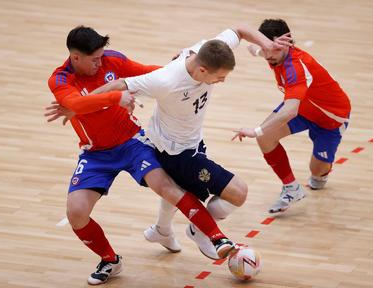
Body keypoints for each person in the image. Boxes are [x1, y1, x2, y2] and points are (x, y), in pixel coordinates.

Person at [47, 25, 239, 285]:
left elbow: (148, 73)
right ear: (75, 57)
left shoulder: (111, 59)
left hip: (133, 141)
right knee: (76, 212)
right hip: (95, 154)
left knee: (166, 186)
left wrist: (178, 68)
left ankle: (216, 237)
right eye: (94, 60)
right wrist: (116, 97)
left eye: (101, 56)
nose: (100, 63)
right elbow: (76, 105)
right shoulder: (60, 79)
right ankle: (110, 260)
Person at [84, 25, 292, 259]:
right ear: (202, 70)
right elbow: (118, 84)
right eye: (220, 77)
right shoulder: (165, 80)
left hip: (193, 140)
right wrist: (76, 105)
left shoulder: (210, 49)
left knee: (179, 188)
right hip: (176, 154)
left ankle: (162, 230)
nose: (222, 81)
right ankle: (199, 230)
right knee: (238, 193)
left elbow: (240, 30)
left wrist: (267, 45)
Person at [232, 19, 351, 213]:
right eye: (267, 48)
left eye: (274, 50)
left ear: (288, 43)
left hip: (330, 118)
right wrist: (261, 46)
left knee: (317, 175)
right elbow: (252, 48)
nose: (269, 55)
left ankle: (322, 173)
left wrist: (255, 130)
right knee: (266, 137)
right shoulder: (272, 52)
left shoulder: (296, 67)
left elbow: (289, 111)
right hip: (301, 106)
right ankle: (291, 188)